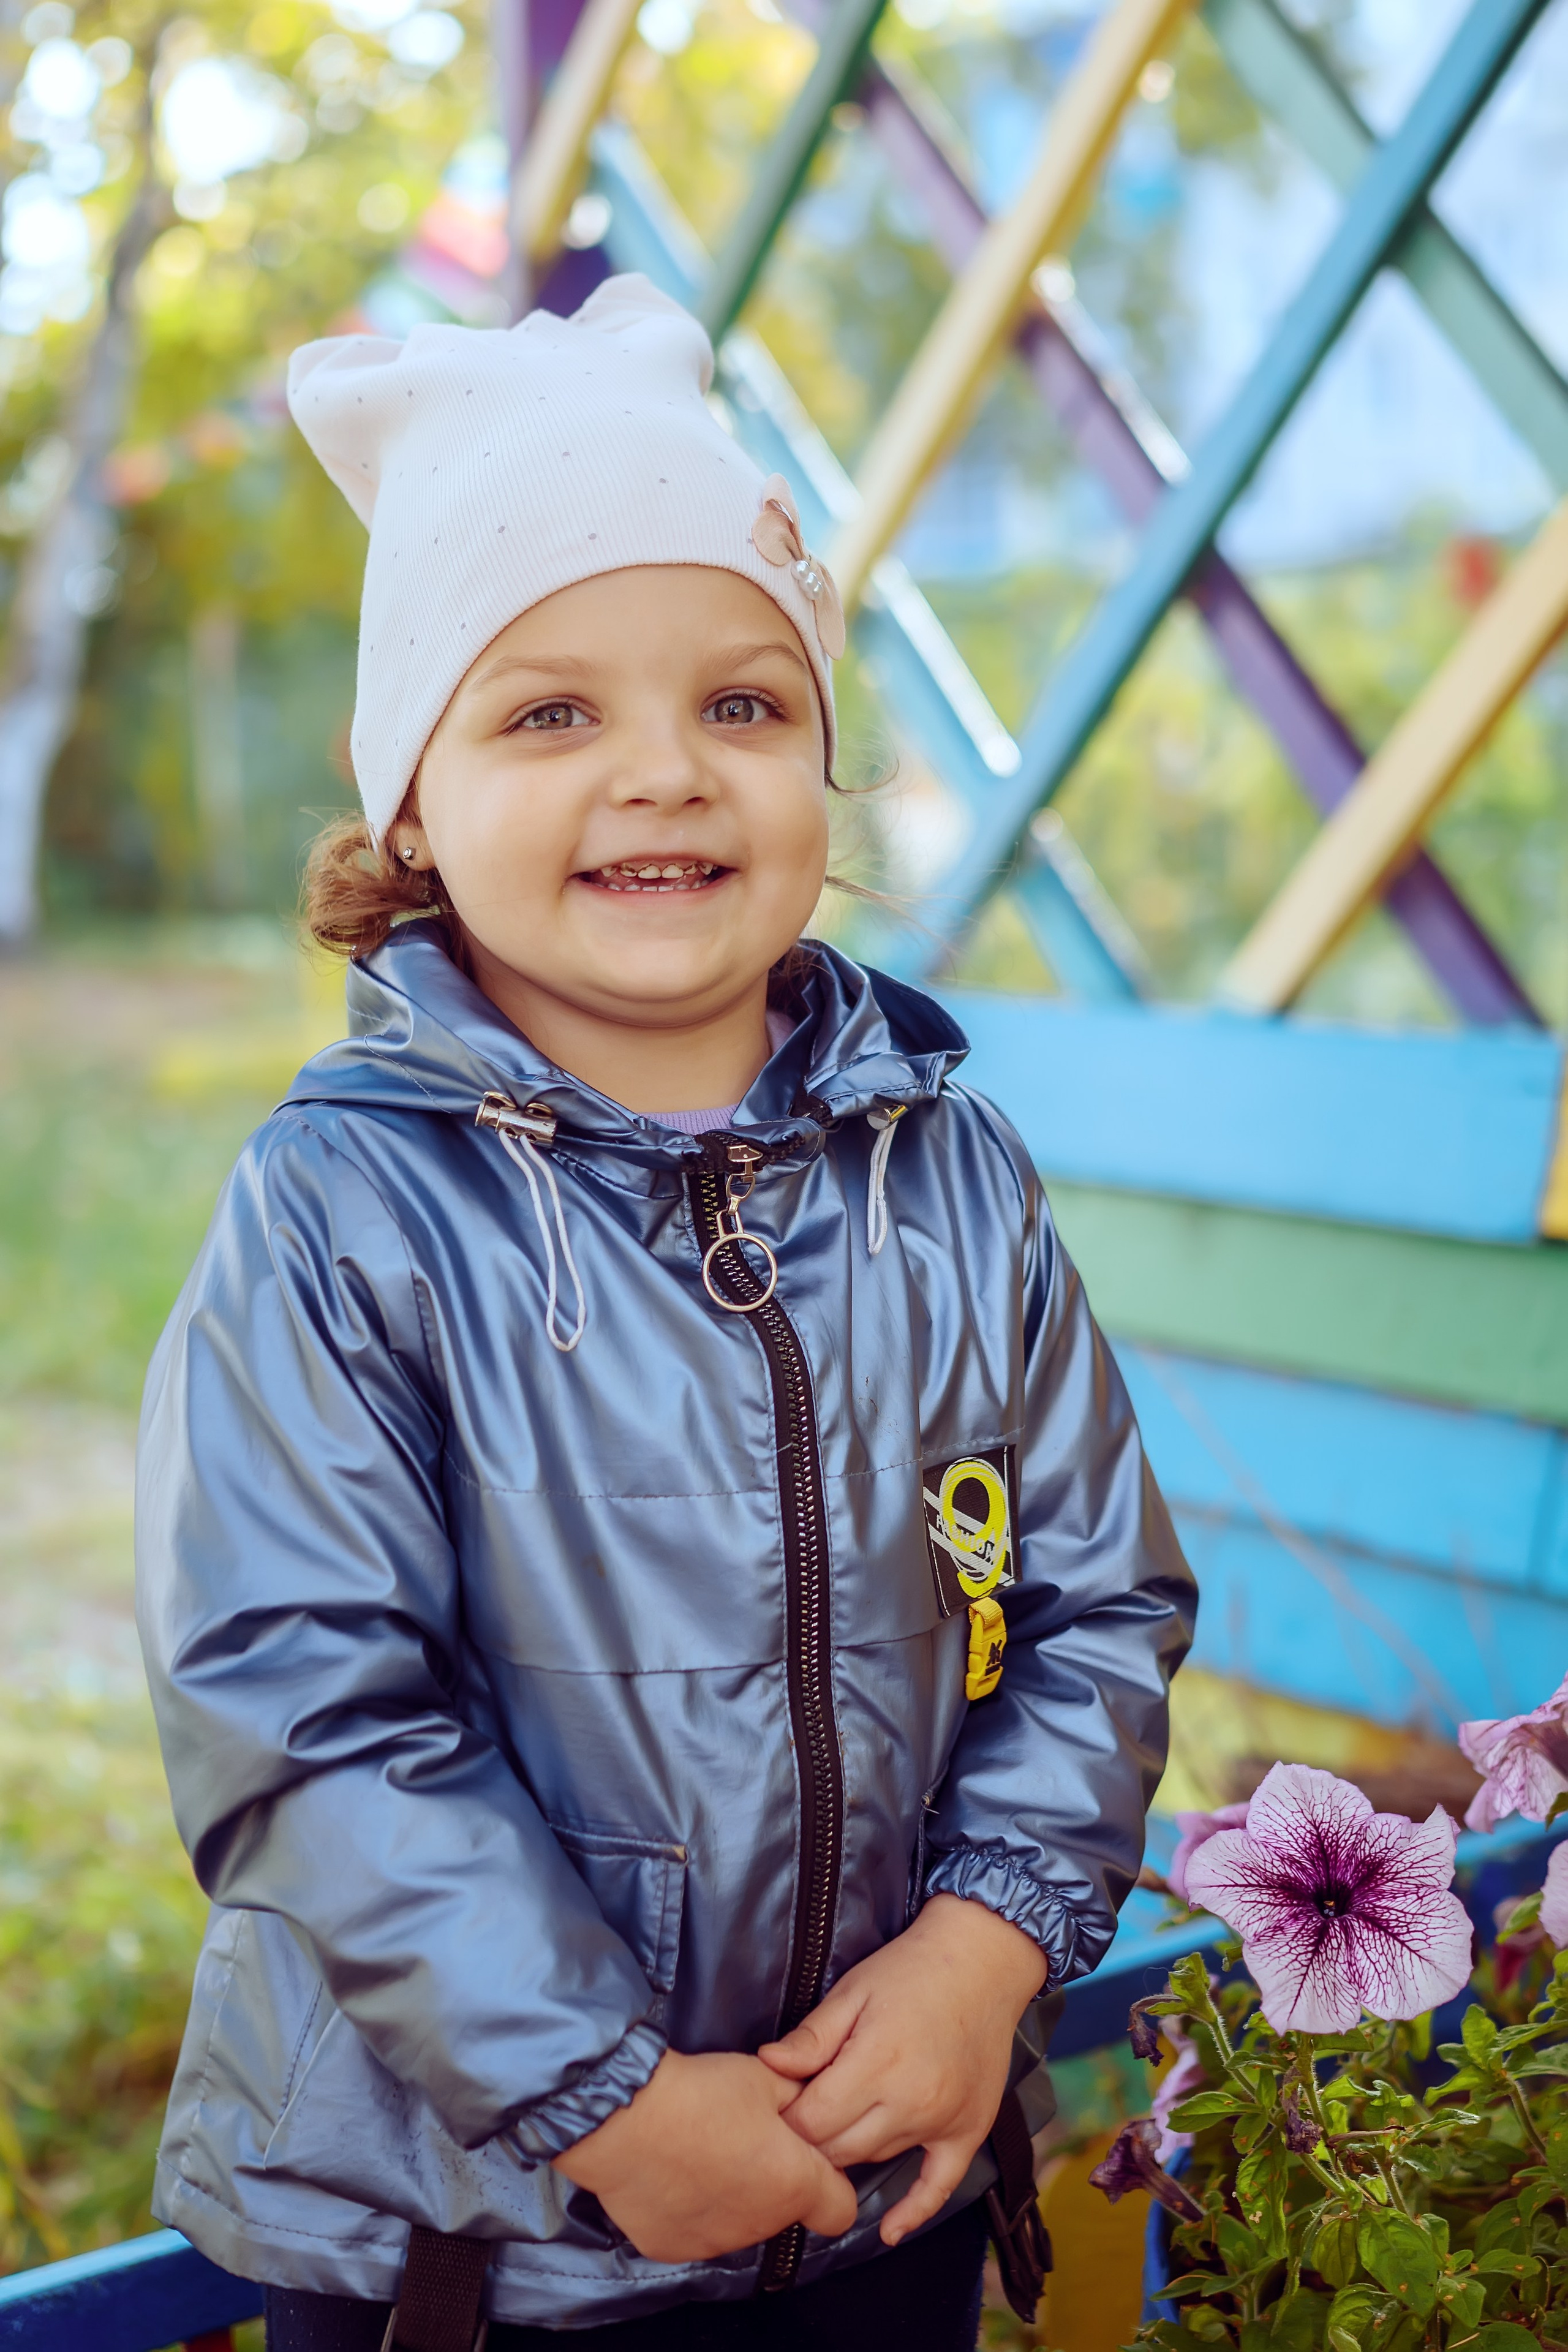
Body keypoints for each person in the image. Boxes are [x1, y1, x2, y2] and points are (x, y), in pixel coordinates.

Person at [135, 274, 1195, 2351]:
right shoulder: (347, 1209)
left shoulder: (945, 1170)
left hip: (879, 2176)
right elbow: (303, 1711)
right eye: (550, 712)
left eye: (743, 702)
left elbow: (1095, 1607)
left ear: (821, 764)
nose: (667, 777)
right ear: (411, 805)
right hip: (478, 2245)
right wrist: (599, 2098)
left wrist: (990, 1947)